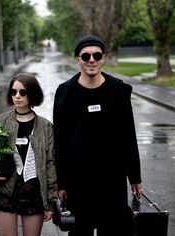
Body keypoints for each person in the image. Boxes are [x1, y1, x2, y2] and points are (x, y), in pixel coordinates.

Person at [53, 35, 143, 236]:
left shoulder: (119, 90)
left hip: (113, 178)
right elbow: (60, 142)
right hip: (79, 180)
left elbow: (129, 134)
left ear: (103, 58)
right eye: (86, 56)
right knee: (80, 230)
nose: (91, 59)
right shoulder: (65, 93)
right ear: (77, 60)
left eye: (96, 55)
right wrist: (62, 183)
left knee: (113, 229)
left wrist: (134, 175)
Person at [0, 73, 57, 236]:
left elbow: (51, 164)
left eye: (23, 92)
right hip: (4, 191)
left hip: (34, 193)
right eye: (13, 92)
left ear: (32, 94)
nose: (17, 96)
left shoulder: (45, 127)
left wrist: (51, 202)